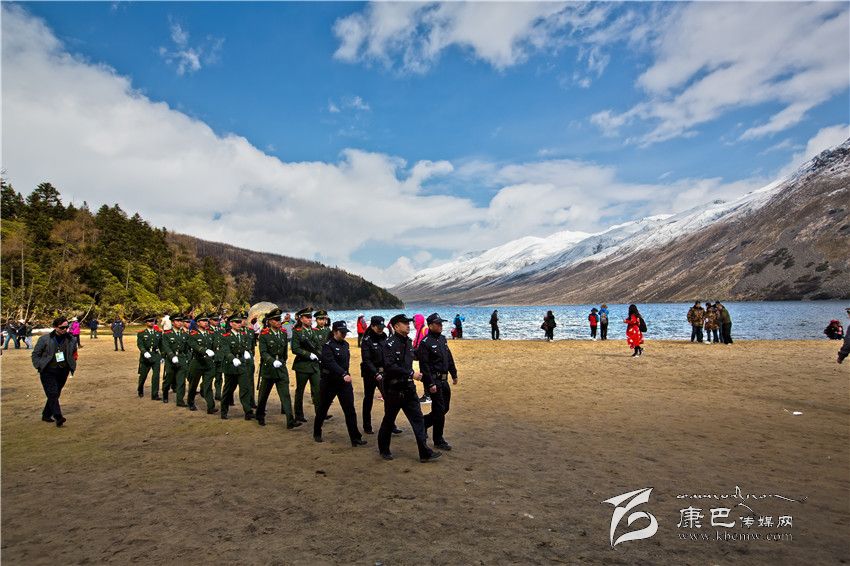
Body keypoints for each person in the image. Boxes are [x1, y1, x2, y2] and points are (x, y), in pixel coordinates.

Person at [378, 314, 442, 463]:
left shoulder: (408, 342)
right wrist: (411, 373)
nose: (408, 325)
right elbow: (390, 366)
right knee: (389, 420)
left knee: (418, 420)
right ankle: (384, 449)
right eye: (404, 323)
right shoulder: (389, 344)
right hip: (394, 389)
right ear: (396, 326)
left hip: (408, 388)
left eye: (409, 323)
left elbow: (415, 357)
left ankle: (424, 453)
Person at [314, 321, 367, 447]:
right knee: (323, 408)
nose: (344, 335)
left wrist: (345, 375)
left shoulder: (346, 345)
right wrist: (343, 374)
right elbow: (330, 363)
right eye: (341, 332)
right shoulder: (328, 346)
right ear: (334, 332)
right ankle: (317, 432)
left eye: (345, 332)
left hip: (344, 383)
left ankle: (355, 437)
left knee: (350, 410)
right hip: (330, 382)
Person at [416, 313, 458, 451]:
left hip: (444, 380)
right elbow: (424, 366)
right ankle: (438, 440)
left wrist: (454, 373)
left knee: (445, 408)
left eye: (441, 323)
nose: (440, 326)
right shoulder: (425, 343)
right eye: (438, 323)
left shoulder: (442, 339)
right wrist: (430, 384)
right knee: (439, 410)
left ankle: (423, 423)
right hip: (434, 381)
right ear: (430, 325)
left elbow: (448, 357)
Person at [256, 308, 300, 428]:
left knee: (285, 394)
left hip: (280, 367)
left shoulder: (283, 333)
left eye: (279, 319)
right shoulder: (264, 335)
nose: (278, 321)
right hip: (269, 369)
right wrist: (272, 361)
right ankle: (260, 415)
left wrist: (282, 361)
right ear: (269, 321)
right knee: (264, 395)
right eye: (275, 320)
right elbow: (263, 352)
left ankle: (290, 420)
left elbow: (285, 351)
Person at [31, 316, 78, 427]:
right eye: (62, 327)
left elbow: (74, 353)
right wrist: (39, 365)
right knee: (52, 392)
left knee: (56, 393)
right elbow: (35, 354)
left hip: (63, 370)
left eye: (67, 327)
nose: (65, 330)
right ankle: (58, 416)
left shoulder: (71, 339)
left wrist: (72, 362)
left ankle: (46, 414)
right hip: (48, 370)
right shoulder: (44, 339)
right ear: (55, 327)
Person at [360, 315, 402, 436]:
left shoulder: (384, 336)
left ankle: (391, 424)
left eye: (382, 327)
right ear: (372, 326)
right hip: (370, 373)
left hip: (384, 372)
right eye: (378, 327)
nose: (381, 329)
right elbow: (366, 360)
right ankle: (367, 425)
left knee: (388, 398)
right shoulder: (367, 340)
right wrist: (375, 373)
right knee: (368, 399)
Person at [290, 308, 323, 423]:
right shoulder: (297, 332)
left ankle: (319, 414)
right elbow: (295, 349)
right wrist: (309, 354)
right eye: (307, 317)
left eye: (310, 317)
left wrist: (319, 355)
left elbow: (318, 346)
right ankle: (299, 414)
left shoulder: (313, 331)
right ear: (301, 319)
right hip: (302, 365)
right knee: (300, 391)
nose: (310, 319)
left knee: (318, 390)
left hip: (314, 365)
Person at [219, 313, 254, 420]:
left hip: (242, 365)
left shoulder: (243, 335)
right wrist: (232, 358)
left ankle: (248, 411)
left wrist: (247, 352)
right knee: (228, 390)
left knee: (245, 388)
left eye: (240, 322)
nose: (239, 324)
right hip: (230, 366)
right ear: (231, 323)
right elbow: (225, 350)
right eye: (237, 322)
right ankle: (224, 411)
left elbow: (246, 346)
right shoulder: (226, 336)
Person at [186, 313, 217, 413]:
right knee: (193, 385)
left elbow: (214, 345)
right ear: (198, 323)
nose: (206, 323)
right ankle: (190, 402)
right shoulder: (193, 334)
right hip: (197, 362)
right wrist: (204, 350)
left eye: (207, 321)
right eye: (204, 321)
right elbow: (193, 345)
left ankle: (210, 406)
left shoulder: (210, 333)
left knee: (208, 385)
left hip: (208, 363)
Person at [160, 313, 187, 405]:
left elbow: (187, 347)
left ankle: (180, 400)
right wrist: (172, 356)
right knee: (169, 378)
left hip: (181, 358)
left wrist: (186, 358)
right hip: (171, 359)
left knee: (181, 380)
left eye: (181, 321)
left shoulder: (184, 334)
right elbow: (166, 347)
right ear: (172, 322)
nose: (180, 323)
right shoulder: (167, 334)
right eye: (177, 321)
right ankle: (165, 393)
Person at [137, 315, 162, 399]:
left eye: (153, 321)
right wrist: (144, 352)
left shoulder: (158, 333)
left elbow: (161, 345)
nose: (151, 323)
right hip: (146, 356)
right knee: (143, 375)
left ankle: (155, 394)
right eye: (149, 321)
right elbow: (140, 344)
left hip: (155, 355)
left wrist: (162, 355)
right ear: (146, 322)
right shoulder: (141, 333)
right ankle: (140, 389)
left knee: (156, 376)